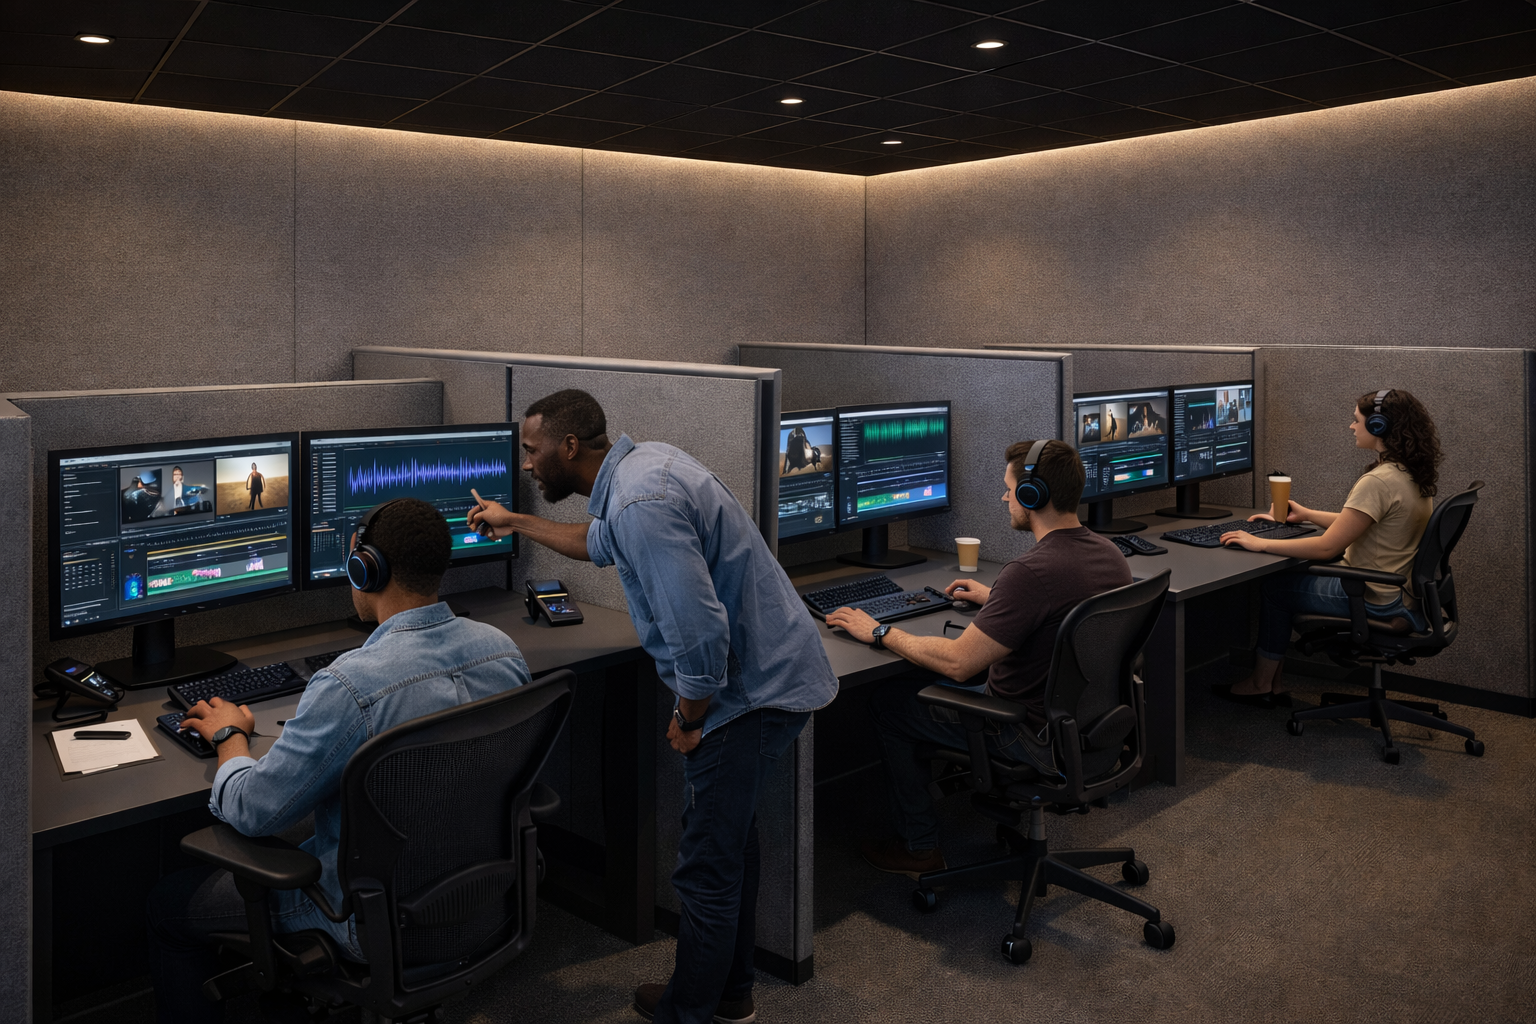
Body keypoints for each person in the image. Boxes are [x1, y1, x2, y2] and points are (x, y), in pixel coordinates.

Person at [465, 389, 837, 1024]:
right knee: (728, 846)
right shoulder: (644, 467)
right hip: (764, 678)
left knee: (706, 869)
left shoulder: (640, 501)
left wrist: (688, 718)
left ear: (570, 447)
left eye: (531, 450)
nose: (526, 465)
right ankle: (730, 992)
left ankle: (689, 1012)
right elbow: (600, 541)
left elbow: (700, 637)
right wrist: (517, 521)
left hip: (742, 695)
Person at [145, 498, 531, 1024]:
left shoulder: (351, 684)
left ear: (364, 567)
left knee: (169, 904)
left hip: (366, 920)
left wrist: (231, 736)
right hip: (486, 899)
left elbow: (254, 810)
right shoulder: (503, 653)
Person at [825, 439, 1131, 878]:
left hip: (1025, 735)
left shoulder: (1029, 573)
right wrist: (999, 600)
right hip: (1085, 730)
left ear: (1033, 495)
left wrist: (879, 631)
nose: (1005, 497)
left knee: (889, 704)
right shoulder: (1109, 555)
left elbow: (957, 663)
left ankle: (919, 848)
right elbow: (1059, 609)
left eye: (1010, 488)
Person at [1213, 388, 1440, 707]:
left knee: (1275, 590)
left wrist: (1258, 542)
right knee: (1290, 579)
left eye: (1356, 420)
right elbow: (1364, 521)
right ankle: (1273, 684)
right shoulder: (1409, 473)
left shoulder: (1378, 481)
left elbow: (1324, 549)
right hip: (1400, 594)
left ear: (1378, 427)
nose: (1351, 427)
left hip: (1374, 596)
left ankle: (1261, 683)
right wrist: (1306, 515)